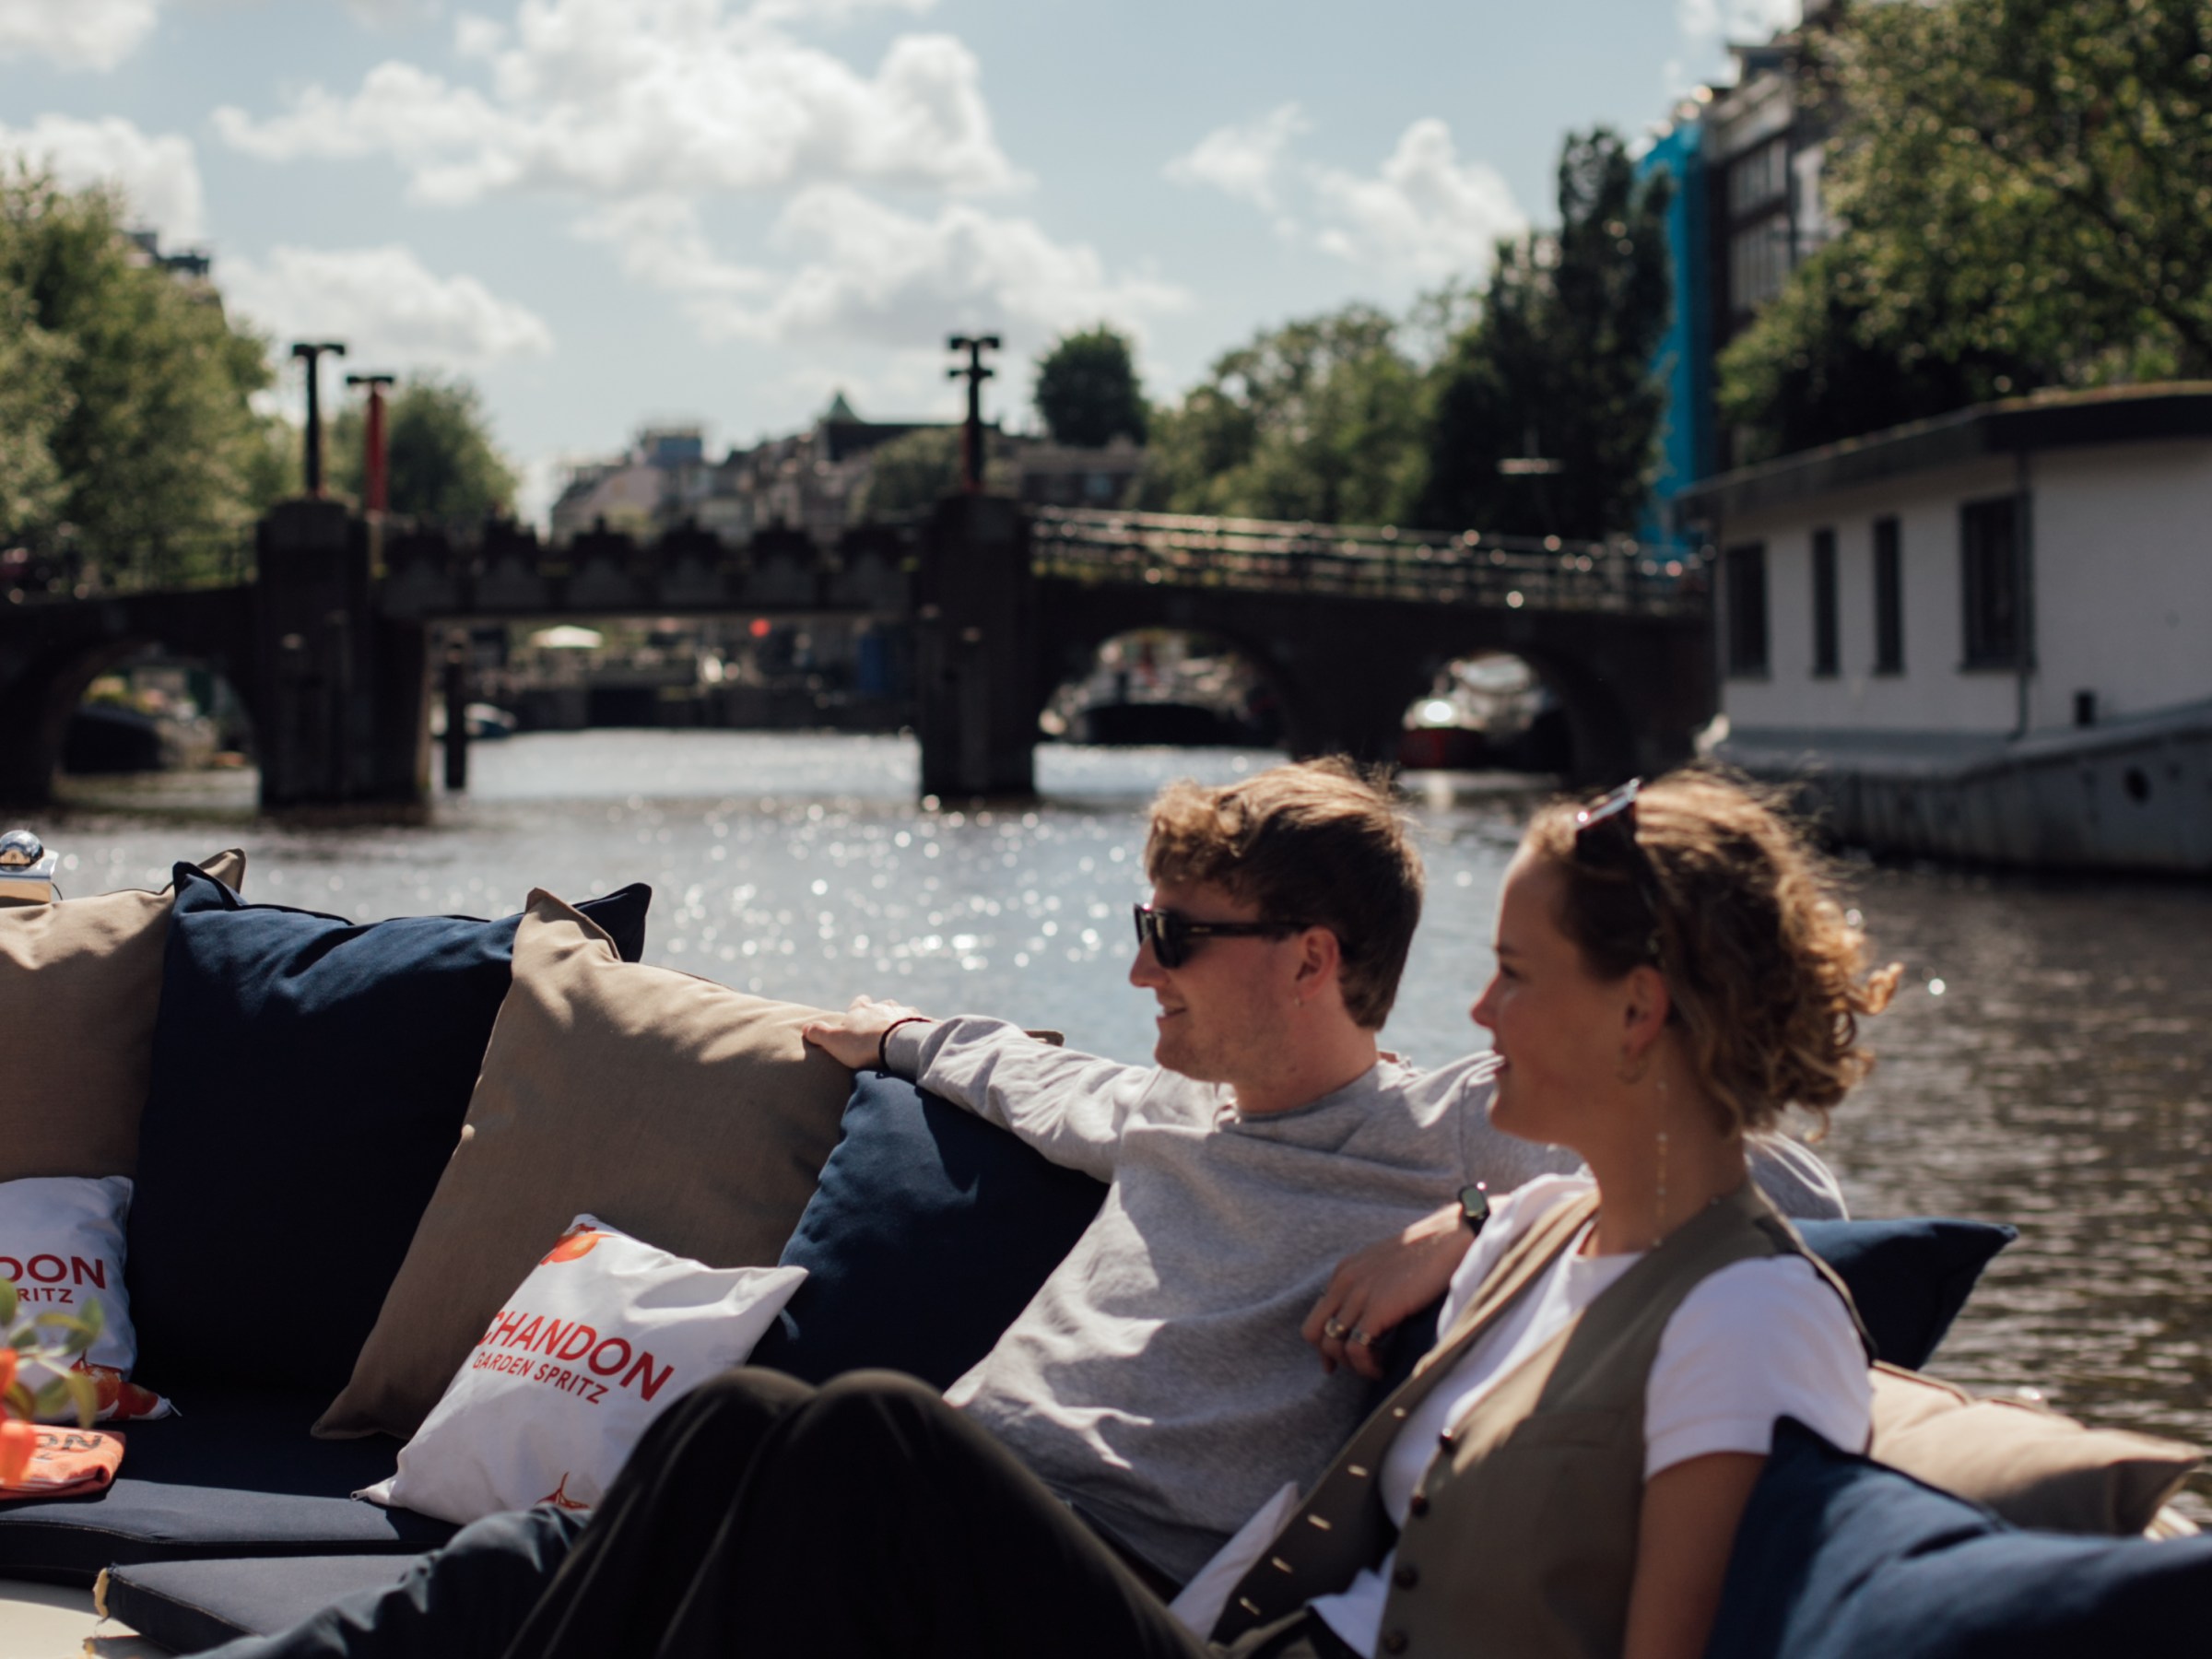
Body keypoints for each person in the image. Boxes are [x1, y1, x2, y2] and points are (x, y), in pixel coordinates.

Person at [205, 766, 1863, 1659]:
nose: (1137, 971)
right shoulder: (1158, 1116)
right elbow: (1013, 1068)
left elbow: (1762, 1179)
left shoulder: (1456, 1141)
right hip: (974, 1548)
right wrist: (898, 1035)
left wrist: (1470, 1227)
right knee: (663, 1477)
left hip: (1111, 1581)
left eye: (1173, 936)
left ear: (1310, 960)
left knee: (849, 1430)